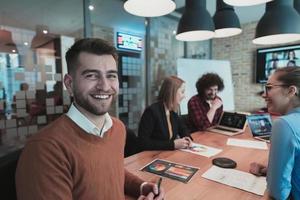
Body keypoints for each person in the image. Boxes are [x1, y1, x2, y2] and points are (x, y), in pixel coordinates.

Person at [16, 38, 165, 200]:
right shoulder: (45, 149)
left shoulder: (117, 128)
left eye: (111, 76)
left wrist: (141, 187)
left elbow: (111, 171)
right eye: (92, 75)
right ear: (69, 84)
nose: (105, 86)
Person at [249, 67, 300, 199]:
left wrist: (273, 176)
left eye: (269, 87)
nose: (263, 94)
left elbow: (278, 192)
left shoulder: (283, 124)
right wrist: (271, 170)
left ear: (291, 91)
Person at [138, 76, 192, 151]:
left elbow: (183, 129)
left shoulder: (173, 111)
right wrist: (172, 144)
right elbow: (143, 143)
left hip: (165, 154)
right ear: (172, 92)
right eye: (182, 92)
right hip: (150, 156)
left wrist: (187, 138)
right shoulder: (152, 111)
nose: (184, 96)